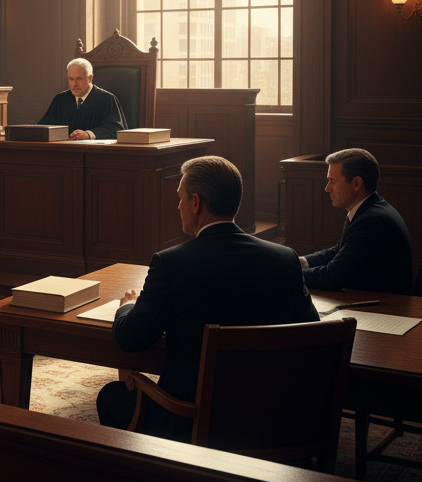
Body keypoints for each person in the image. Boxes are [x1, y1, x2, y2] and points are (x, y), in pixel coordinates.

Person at [96, 155, 319, 442]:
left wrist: (128, 305)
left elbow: (130, 339)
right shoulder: (284, 259)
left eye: (180, 198)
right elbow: (309, 332)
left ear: (196, 202)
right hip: (268, 420)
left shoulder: (171, 264)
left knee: (110, 397)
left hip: (190, 420)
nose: (178, 206)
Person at [298, 148, 413, 295]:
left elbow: (332, 277)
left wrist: (288, 274)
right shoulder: (370, 210)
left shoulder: (372, 221)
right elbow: (340, 250)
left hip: (387, 310)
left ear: (356, 184)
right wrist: (301, 262)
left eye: (332, 181)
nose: (327, 189)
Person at [38, 57, 126, 140]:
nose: (74, 84)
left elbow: (116, 130)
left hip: (95, 152)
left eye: (79, 79)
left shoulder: (107, 99)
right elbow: (43, 127)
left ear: (90, 78)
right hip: (64, 150)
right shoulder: (61, 99)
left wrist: (89, 134)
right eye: (71, 79)